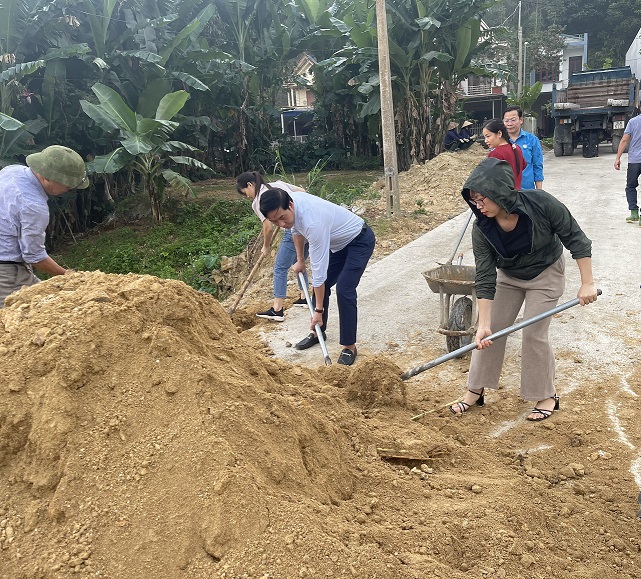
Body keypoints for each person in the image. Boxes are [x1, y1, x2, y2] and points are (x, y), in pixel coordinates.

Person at [450, 157, 597, 421]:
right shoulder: (482, 228)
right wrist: (483, 323)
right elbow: (485, 276)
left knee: (533, 333)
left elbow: (576, 238)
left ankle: (546, 395)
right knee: (490, 332)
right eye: (474, 200)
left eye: (483, 198)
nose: (478, 206)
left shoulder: (542, 204)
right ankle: (475, 389)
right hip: (509, 276)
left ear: (500, 192)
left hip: (545, 273)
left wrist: (587, 283)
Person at [259, 188, 375, 366]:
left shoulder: (313, 223)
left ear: (290, 205)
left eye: (282, 218)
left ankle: (349, 346)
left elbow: (318, 275)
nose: (280, 224)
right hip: (338, 243)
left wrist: (318, 311)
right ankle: (318, 332)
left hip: (359, 240)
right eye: (274, 221)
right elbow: (295, 231)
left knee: (344, 289)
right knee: (324, 285)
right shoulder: (290, 208)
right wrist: (299, 260)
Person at [0, 145, 89, 308]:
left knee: (49, 304)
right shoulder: (33, 206)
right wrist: (69, 275)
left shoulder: (12, 171)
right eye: (68, 186)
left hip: (9, 266)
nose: (68, 190)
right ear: (50, 178)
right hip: (6, 273)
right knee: (21, 324)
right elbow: (34, 256)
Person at [236, 171, 310, 322]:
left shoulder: (259, 201)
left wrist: (266, 246)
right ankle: (304, 297)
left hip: (293, 231)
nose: (247, 196)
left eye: (245, 193)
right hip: (307, 226)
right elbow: (303, 192)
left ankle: (277, 309)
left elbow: (268, 227)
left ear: (250, 185)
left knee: (280, 268)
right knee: (298, 261)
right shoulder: (277, 184)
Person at [503, 106, 544, 190]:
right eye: (506, 121)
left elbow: (537, 166)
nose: (509, 124)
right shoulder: (500, 141)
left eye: (513, 120)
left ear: (521, 120)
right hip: (506, 191)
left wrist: (539, 192)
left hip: (527, 191)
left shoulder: (532, 140)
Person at [483, 118, 526, 189]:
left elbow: (491, 179)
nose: (485, 141)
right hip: (517, 194)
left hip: (502, 196)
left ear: (499, 133)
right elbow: (523, 165)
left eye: (488, 136)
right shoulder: (516, 148)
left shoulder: (496, 153)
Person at [613, 114, 641, 225]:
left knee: (630, 186)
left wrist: (617, 158)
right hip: (634, 159)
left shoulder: (633, 122)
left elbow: (624, 140)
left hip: (634, 160)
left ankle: (634, 213)